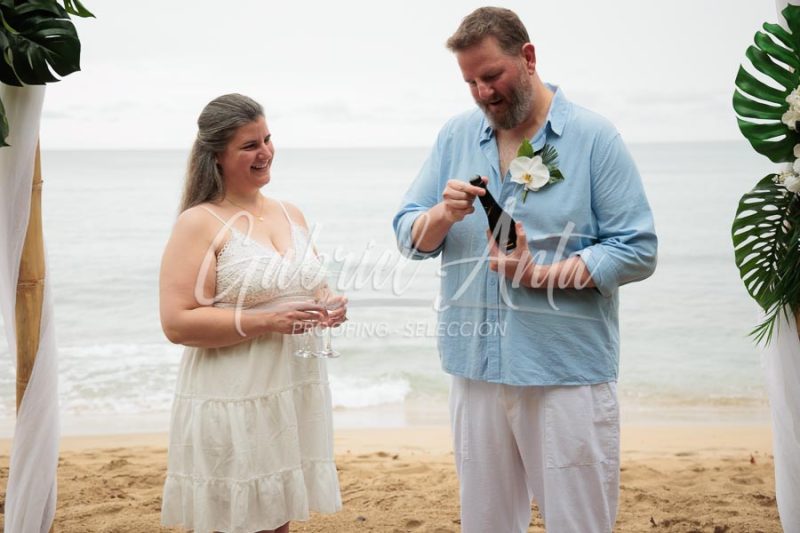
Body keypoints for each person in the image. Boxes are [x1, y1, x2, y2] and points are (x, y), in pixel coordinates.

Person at [393, 7, 657, 533]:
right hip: (475, 369)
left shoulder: (595, 138)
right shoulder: (455, 135)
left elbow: (637, 248)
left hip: (564, 372)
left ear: (528, 57)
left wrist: (542, 275)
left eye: (492, 75)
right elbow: (408, 235)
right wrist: (442, 215)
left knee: (579, 524)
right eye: (470, 82)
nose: (483, 92)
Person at [159, 94, 345, 533]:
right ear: (216, 156)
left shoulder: (290, 212)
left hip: (290, 391)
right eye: (249, 145)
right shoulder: (199, 222)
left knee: (277, 518)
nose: (265, 152)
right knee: (236, 519)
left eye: (267, 139)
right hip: (234, 395)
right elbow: (176, 322)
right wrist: (266, 322)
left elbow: (311, 285)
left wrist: (330, 303)